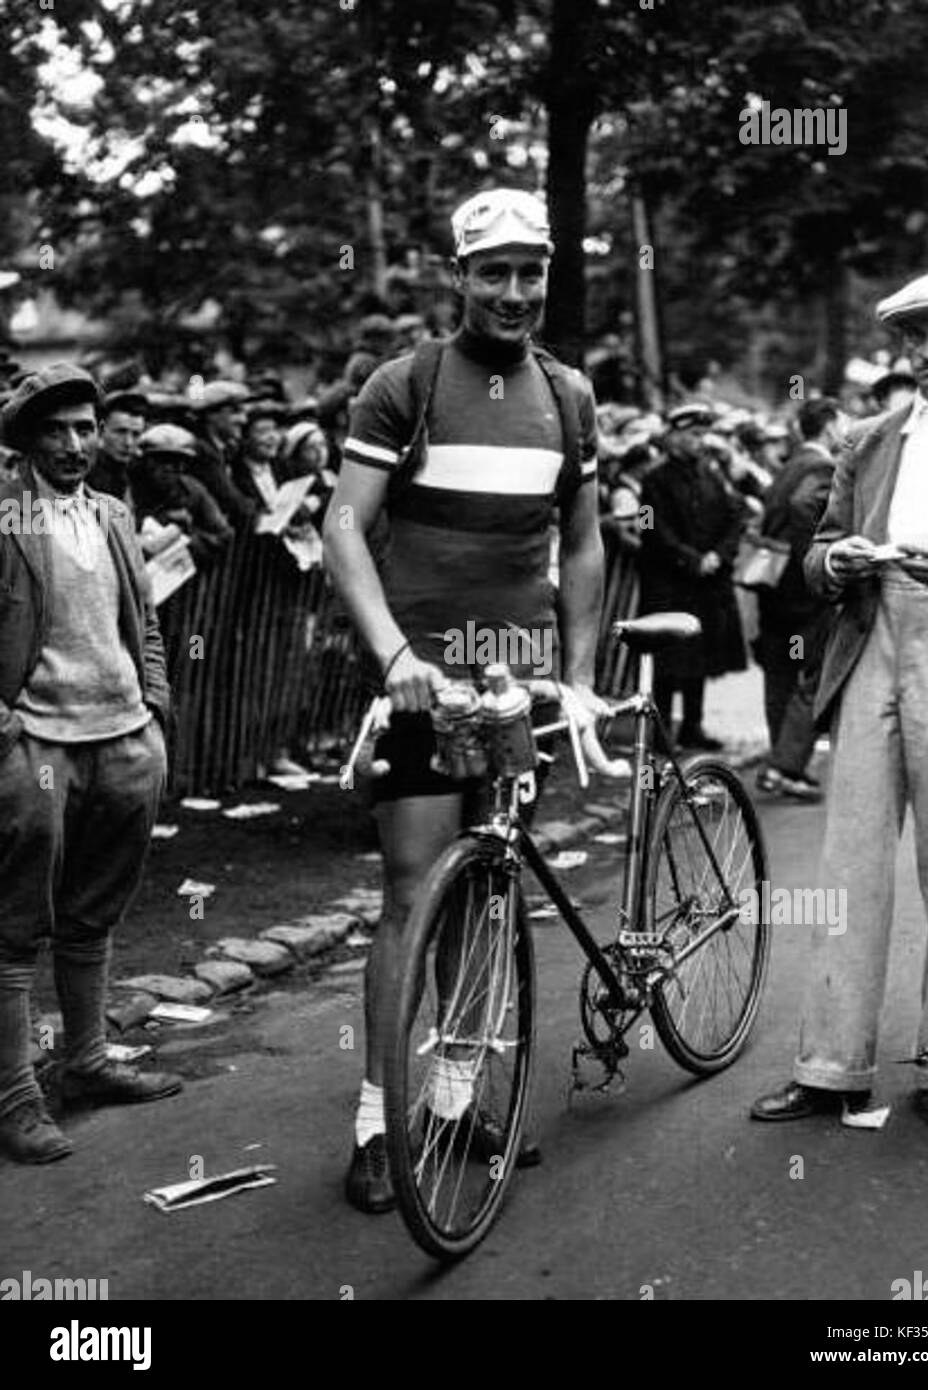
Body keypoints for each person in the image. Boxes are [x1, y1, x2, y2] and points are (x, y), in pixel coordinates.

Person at [324, 186, 605, 1213]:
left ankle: (451, 1102)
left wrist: (572, 671)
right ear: (460, 277)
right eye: (494, 271)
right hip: (421, 685)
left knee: (486, 893)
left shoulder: (571, 397)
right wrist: (395, 652)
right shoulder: (404, 384)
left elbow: (580, 541)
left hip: (512, 688)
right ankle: (375, 1123)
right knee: (411, 892)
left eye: (531, 271)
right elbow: (342, 529)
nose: (514, 291)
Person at [751, 269, 928, 1128]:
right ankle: (830, 1066)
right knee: (849, 861)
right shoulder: (870, 434)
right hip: (871, 636)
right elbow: (813, 556)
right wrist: (839, 561)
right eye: (914, 335)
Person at [0, 363, 182, 1165]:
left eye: (85, 429)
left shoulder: (111, 512)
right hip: (36, 744)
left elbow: (142, 618)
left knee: (95, 910)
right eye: (57, 430)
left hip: (123, 738)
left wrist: (155, 711)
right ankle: (14, 1098)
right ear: (29, 438)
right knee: (14, 926)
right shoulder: (7, 517)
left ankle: (87, 1060)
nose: (76, 445)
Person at [637, 402, 748, 749]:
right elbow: (650, 528)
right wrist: (690, 559)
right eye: (693, 435)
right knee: (669, 660)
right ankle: (662, 730)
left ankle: (693, 725)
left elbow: (736, 516)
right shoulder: (653, 480)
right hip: (670, 583)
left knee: (700, 656)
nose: (699, 442)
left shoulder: (712, 474)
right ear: (675, 436)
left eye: (703, 435)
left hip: (706, 585)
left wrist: (718, 555)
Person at [755, 397, 844, 799]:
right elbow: (803, 505)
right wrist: (818, 557)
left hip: (772, 588)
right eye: (841, 424)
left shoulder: (787, 464)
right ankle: (785, 766)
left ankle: (780, 761)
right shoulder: (821, 467)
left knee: (781, 676)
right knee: (814, 677)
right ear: (828, 427)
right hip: (803, 592)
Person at [131, 424, 233, 567]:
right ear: (147, 461)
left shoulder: (191, 490)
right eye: (164, 460)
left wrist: (187, 537)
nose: (173, 468)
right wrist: (160, 522)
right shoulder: (129, 487)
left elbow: (223, 534)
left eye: (179, 462)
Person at [190, 380, 256, 525]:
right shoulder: (203, 452)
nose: (243, 420)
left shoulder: (228, 449)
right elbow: (233, 503)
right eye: (235, 412)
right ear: (211, 415)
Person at [88, 389, 147, 501]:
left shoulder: (138, 472)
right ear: (101, 431)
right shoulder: (86, 471)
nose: (128, 442)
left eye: (136, 434)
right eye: (120, 432)